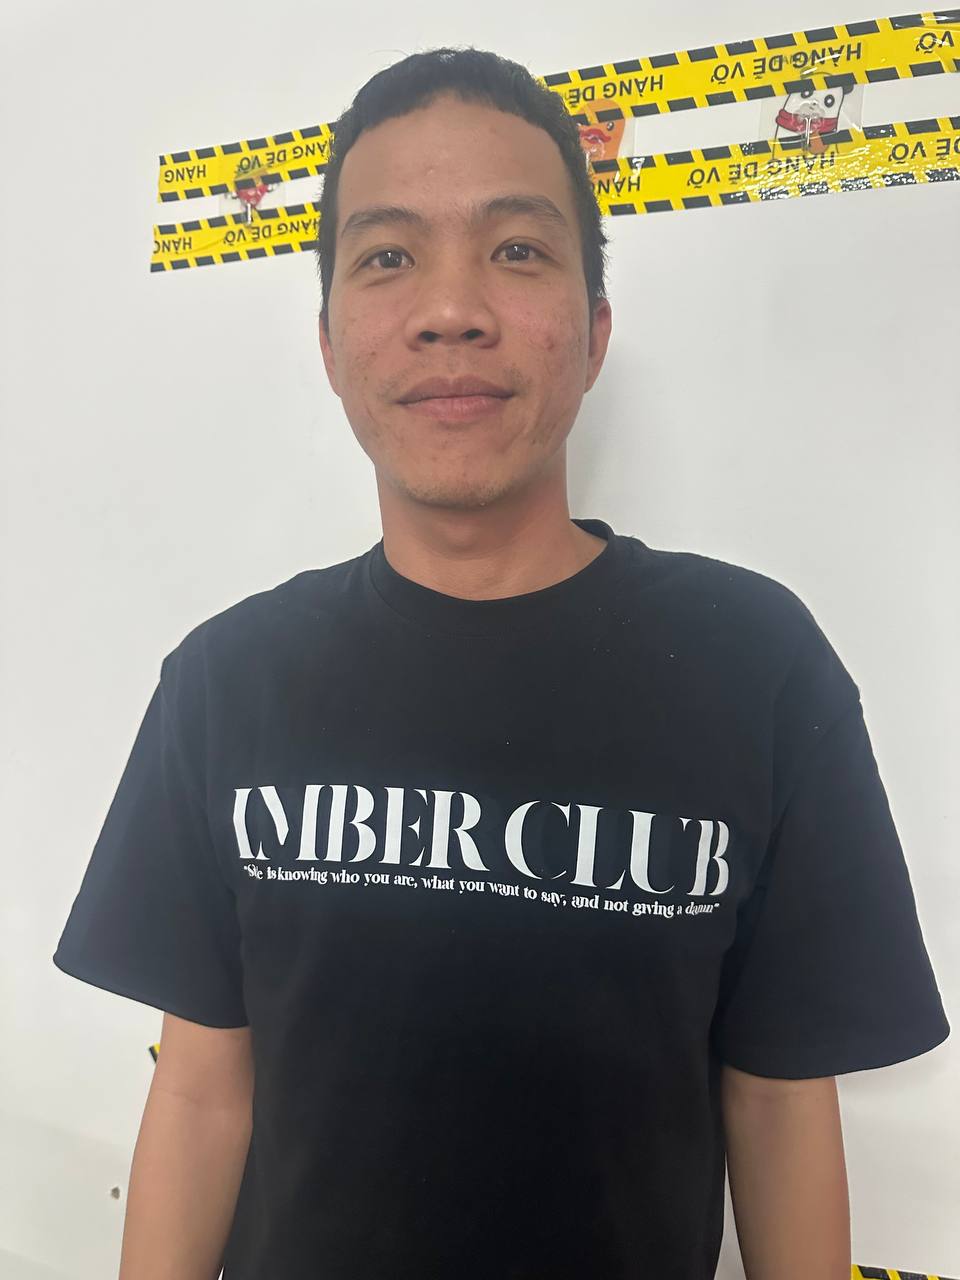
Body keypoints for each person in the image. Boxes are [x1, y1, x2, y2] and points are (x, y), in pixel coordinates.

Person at [53, 46, 950, 1280]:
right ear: (330, 344)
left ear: (594, 332)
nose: (451, 308)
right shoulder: (226, 682)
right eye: (388, 256)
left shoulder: (759, 670)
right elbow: (204, 1089)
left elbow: (779, 1101)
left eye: (517, 248)